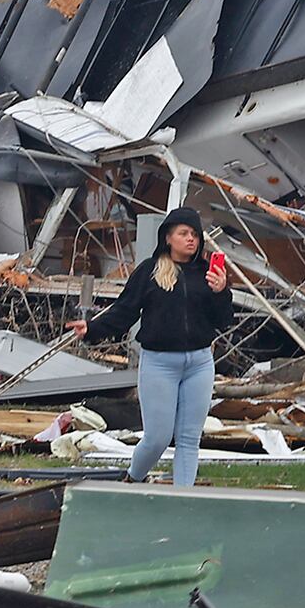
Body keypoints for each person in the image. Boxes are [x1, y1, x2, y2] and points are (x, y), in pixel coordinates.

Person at [66, 207, 232, 486]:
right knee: (157, 437)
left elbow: (223, 320)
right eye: (183, 234)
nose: (190, 239)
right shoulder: (149, 271)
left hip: (200, 362)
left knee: (189, 438)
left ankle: (183, 501)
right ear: (168, 237)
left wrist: (221, 292)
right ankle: (133, 478)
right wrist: (92, 328)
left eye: (194, 234)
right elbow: (124, 311)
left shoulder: (207, 274)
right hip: (160, 363)